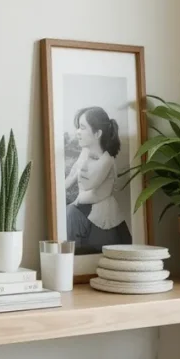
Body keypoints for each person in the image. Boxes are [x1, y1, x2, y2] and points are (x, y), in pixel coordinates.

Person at [65, 106, 132, 254]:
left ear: (97, 134)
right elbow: (72, 174)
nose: (78, 132)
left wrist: (76, 200)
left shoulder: (107, 159)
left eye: (82, 128)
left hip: (103, 218)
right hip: (84, 210)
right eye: (78, 127)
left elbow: (89, 185)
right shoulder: (85, 152)